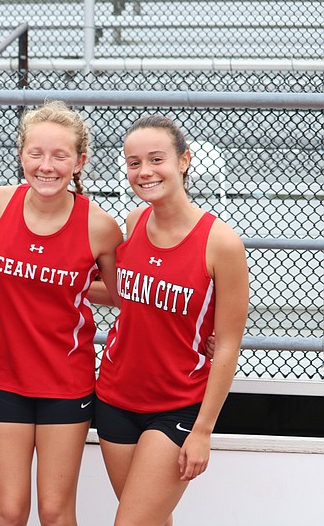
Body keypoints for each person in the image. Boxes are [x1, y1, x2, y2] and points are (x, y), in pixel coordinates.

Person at [0, 101, 123, 526]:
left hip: (65, 381)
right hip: (3, 376)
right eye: (36, 153)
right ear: (21, 154)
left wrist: (203, 331)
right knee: (9, 509)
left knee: (55, 512)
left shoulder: (100, 226)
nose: (47, 166)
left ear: (80, 161)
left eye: (60, 155)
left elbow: (122, 296)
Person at [94, 115, 249, 526]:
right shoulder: (133, 222)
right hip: (114, 396)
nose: (144, 172)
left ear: (184, 161)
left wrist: (203, 431)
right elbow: (122, 297)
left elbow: (229, 342)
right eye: (133, 162)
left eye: (156, 159)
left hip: (176, 406)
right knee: (152, 520)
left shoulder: (221, 243)